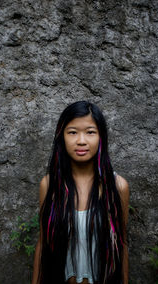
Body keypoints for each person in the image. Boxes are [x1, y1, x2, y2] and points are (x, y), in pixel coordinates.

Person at [32, 100, 129, 284]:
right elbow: (42, 244)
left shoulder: (118, 187)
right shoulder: (49, 185)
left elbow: (121, 247)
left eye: (90, 132)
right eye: (73, 132)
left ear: (101, 137)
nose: (81, 141)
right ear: (62, 137)